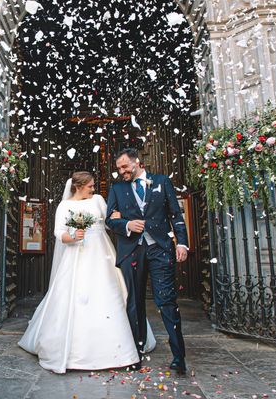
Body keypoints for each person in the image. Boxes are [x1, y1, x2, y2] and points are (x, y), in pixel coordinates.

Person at [18, 171, 155, 373]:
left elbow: (110, 219)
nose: (93, 189)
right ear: (78, 187)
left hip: (102, 254)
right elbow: (59, 233)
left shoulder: (98, 200)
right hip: (76, 255)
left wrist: (119, 217)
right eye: (90, 186)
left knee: (110, 293)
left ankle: (123, 346)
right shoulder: (65, 206)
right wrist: (73, 236)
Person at [105, 148, 189, 374]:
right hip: (131, 251)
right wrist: (126, 225)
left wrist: (182, 243)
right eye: (119, 168)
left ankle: (179, 357)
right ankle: (135, 354)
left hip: (160, 249)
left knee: (166, 302)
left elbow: (175, 215)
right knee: (134, 302)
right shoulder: (117, 188)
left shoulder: (161, 181)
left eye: (125, 167)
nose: (121, 172)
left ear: (137, 163)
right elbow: (109, 220)